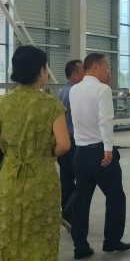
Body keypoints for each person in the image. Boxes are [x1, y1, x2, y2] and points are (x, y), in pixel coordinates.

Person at [0, 45, 71, 261]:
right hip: (39, 179)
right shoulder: (50, 105)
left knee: (12, 238)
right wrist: (45, 153)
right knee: (38, 239)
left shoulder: (1, 104)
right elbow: (64, 144)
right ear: (41, 71)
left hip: (9, 179)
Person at [68, 53, 130, 260]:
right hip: (100, 152)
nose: (108, 71)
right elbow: (105, 120)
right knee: (115, 196)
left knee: (82, 200)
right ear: (95, 67)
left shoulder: (74, 89)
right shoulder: (102, 90)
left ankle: (80, 246)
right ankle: (111, 241)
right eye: (106, 67)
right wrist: (108, 148)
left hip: (80, 152)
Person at [57, 59, 85, 231]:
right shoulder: (74, 92)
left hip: (65, 139)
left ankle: (68, 213)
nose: (86, 74)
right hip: (73, 140)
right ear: (74, 75)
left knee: (66, 179)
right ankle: (68, 213)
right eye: (83, 71)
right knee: (80, 181)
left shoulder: (62, 91)